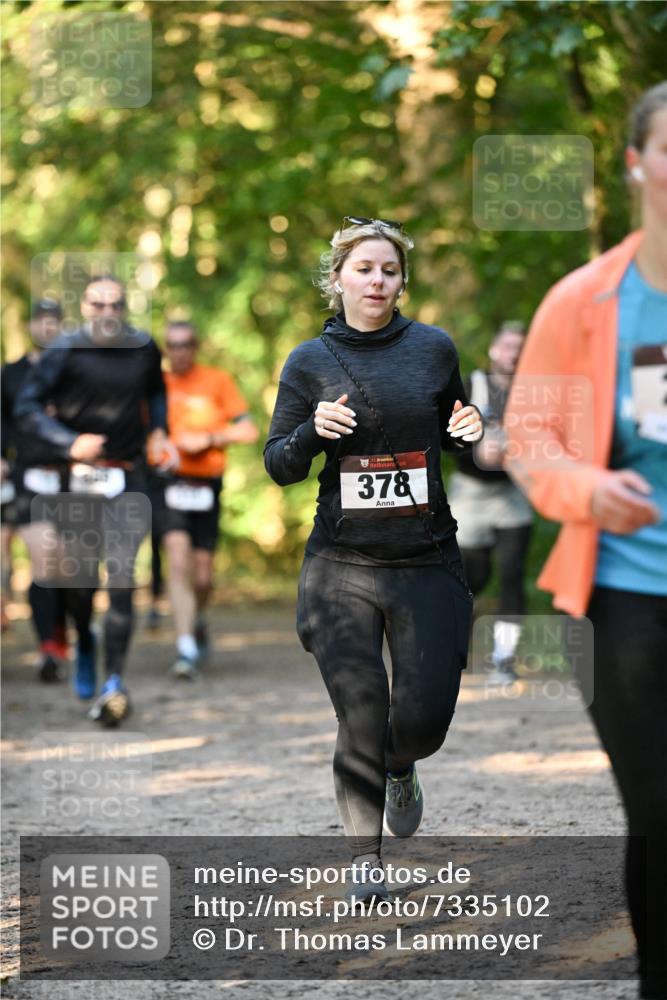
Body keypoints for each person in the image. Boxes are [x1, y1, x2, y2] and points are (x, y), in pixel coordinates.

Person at [504, 82, 667, 1000]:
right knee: (658, 811)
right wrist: (587, 488)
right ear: (635, 163)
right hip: (626, 594)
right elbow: (532, 442)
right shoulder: (584, 301)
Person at [264, 216, 483, 901]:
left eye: (388, 270)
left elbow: (460, 438)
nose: (377, 281)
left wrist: (473, 431)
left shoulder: (433, 349)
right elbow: (278, 465)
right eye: (363, 269)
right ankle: (364, 858)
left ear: (401, 281)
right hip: (342, 566)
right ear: (337, 280)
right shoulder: (308, 362)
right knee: (361, 707)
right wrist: (309, 431)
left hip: (425, 560)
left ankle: (400, 765)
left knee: (420, 723)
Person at [15, 275, 174, 725]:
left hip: (127, 478)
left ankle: (114, 682)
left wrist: (159, 429)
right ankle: (84, 635)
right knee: (80, 583)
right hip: (78, 482)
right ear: (84, 307)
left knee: (122, 579)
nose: (107, 313)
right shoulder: (64, 350)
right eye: (97, 304)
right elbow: (27, 408)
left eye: (115, 305)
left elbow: (156, 390)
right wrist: (69, 443)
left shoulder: (143, 347)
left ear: (125, 309)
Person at [151, 320, 258, 678]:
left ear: (195, 347)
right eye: (172, 345)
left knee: (203, 577)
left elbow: (248, 429)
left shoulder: (217, 381)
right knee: (177, 562)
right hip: (169, 482)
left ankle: (195, 620)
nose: (179, 351)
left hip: (206, 485)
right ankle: (185, 649)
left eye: (186, 344)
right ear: (166, 349)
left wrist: (209, 439)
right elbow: (138, 432)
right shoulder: (156, 386)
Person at [447, 321, 533, 684]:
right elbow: (447, 439)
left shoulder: (534, 392)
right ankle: (453, 655)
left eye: (520, 348)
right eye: (508, 346)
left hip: (513, 493)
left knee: (512, 573)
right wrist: (475, 448)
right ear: (494, 350)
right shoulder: (470, 386)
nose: (513, 354)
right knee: (470, 578)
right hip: (470, 492)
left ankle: (503, 660)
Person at [1, 298, 68, 680]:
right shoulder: (10, 373)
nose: (47, 327)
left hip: (68, 477)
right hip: (27, 476)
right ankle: (47, 647)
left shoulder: (70, 370)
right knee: (42, 558)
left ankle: (61, 630)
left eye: (53, 321)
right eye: (40, 321)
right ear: (29, 326)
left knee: (64, 564)